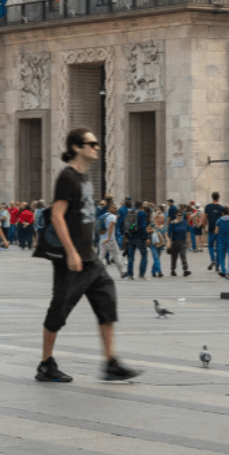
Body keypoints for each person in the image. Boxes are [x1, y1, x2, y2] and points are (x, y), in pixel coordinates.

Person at [36, 128, 138, 384]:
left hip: (90, 257)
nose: (97, 147)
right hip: (72, 259)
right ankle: (46, 364)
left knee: (107, 299)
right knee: (59, 308)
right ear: (76, 147)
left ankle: (110, 362)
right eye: (91, 143)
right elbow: (58, 215)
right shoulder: (67, 177)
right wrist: (70, 252)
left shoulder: (86, 177)